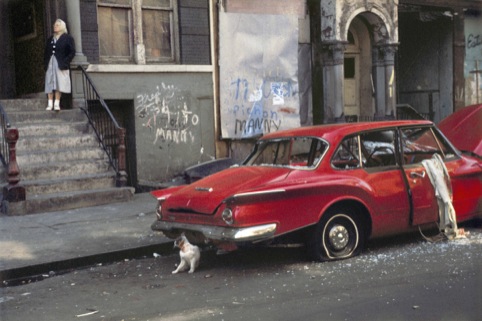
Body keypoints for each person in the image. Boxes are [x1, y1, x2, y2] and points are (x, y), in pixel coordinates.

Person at [44, 19, 75, 111]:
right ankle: (50, 104)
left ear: (62, 27)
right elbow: (46, 52)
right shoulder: (50, 39)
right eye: (54, 25)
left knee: (59, 83)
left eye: (57, 25)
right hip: (50, 63)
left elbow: (72, 52)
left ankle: (56, 103)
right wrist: (45, 63)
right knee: (49, 82)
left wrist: (65, 62)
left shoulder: (68, 38)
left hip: (60, 64)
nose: (55, 26)